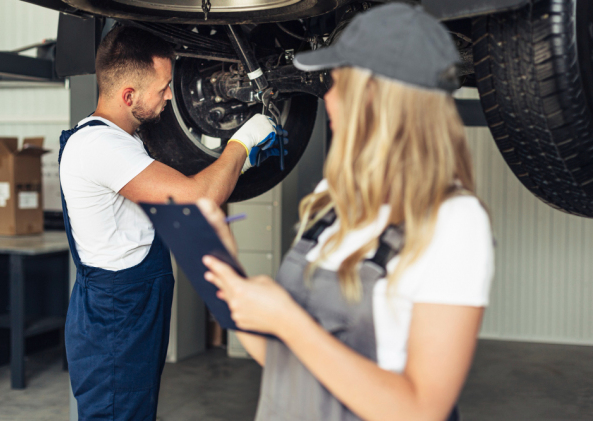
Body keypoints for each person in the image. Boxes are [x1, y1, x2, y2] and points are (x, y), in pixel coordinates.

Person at [198, 3, 495, 421]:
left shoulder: (454, 221)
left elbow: (422, 409)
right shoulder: (333, 198)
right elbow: (284, 361)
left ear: (378, 95)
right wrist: (228, 270)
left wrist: (290, 322)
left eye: (338, 81)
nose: (328, 96)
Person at [58, 25, 276, 420]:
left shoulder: (124, 141)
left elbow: (181, 188)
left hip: (130, 307)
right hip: (115, 318)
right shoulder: (99, 146)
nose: (170, 96)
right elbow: (198, 198)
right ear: (129, 96)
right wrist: (242, 142)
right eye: (162, 88)